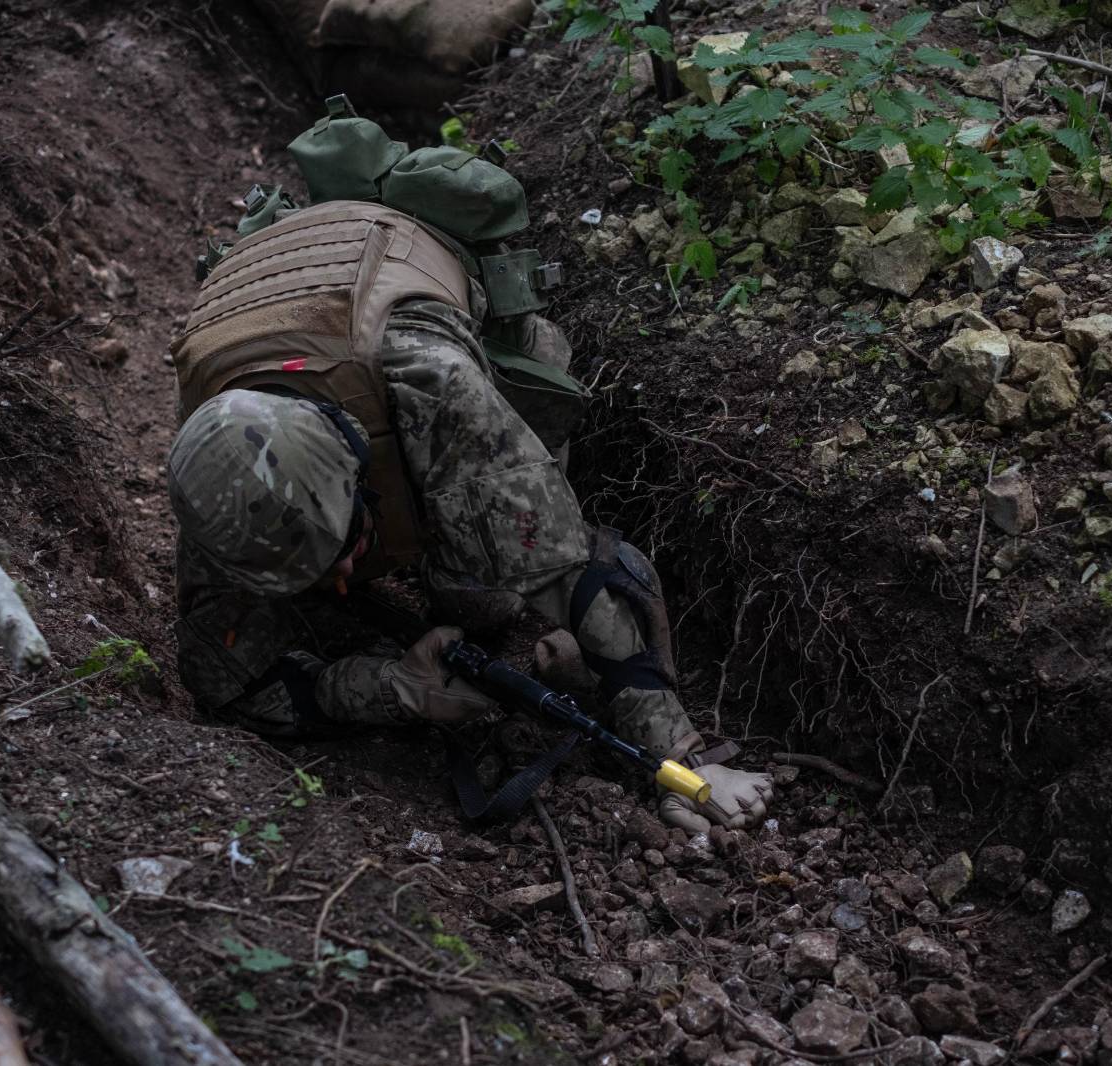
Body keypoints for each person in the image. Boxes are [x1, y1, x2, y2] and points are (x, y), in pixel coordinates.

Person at [165, 102, 774, 833]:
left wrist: (683, 764)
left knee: (487, 584)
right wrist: (394, 688)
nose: (342, 576)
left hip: (415, 300)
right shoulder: (223, 473)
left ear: (358, 463)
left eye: (344, 546)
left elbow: (571, 571)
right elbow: (226, 681)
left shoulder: (436, 388)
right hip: (277, 302)